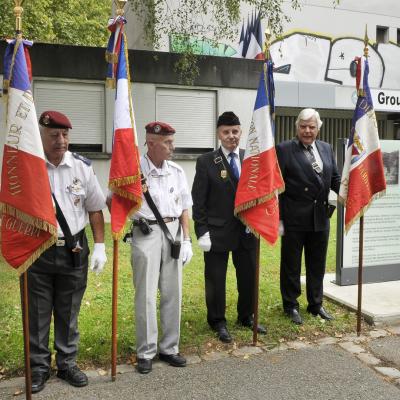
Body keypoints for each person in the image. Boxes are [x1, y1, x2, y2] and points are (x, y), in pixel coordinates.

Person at [28, 111, 107, 393]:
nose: (61, 141)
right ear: (41, 136)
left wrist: (99, 246)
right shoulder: (30, 166)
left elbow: (95, 208)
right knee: (37, 312)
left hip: (73, 248)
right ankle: (38, 368)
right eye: (54, 135)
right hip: (38, 249)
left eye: (65, 135)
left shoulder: (82, 167)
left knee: (69, 310)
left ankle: (67, 363)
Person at [191, 111, 266, 344]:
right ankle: (217, 321)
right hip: (217, 232)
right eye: (226, 132)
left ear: (241, 132)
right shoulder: (206, 162)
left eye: (235, 131)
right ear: (218, 134)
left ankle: (246, 315)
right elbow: (199, 200)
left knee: (249, 275)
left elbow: (261, 194)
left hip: (246, 231)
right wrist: (202, 231)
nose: (231, 136)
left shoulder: (251, 159)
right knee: (216, 278)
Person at [129, 121, 193, 374]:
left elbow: (185, 207)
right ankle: (145, 351)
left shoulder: (176, 171)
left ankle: (169, 348)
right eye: (167, 143)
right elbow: (115, 201)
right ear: (151, 143)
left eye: (172, 141)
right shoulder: (133, 172)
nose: (172, 147)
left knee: (172, 292)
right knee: (145, 294)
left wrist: (187, 239)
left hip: (173, 231)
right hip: (146, 233)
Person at [276, 108, 341, 325]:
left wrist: (350, 192)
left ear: (318, 129)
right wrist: (278, 219)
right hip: (294, 218)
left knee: (317, 264)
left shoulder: (326, 148)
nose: (307, 131)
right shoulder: (284, 149)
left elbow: (335, 178)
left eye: (311, 127)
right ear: (297, 128)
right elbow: (276, 185)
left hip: (320, 217)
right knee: (291, 265)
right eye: (303, 126)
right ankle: (291, 305)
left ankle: (316, 304)